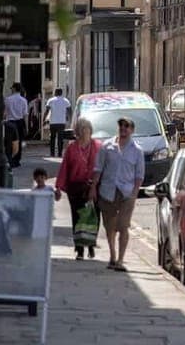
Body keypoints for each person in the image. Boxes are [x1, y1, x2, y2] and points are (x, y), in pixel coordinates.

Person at [89, 116, 144, 272]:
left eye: (127, 127)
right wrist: (93, 188)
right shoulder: (107, 147)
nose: (123, 129)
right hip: (108, 191)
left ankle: (120, 260)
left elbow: (139, 175)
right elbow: (98, 169)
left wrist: (134, 193)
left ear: (132, 130)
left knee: (123, 226)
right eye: (121, 126)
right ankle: (112, 255)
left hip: (127, 193)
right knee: (110, 227)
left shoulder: (137, 151)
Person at [56, 118, 101, 260]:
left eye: (86, 129)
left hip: (93, 186)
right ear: (77, 132)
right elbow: (65, 168)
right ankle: (79, 248)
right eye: (81, 129)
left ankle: (91, 245)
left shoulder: (98, 147)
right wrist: (58, 187)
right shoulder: (71, 148)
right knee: (78, 217)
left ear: (90, 130)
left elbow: (103, 168)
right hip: (75, 187)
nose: (84, 132)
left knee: (93, 217)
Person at [4, 83, 29, 167]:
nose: (11, 89)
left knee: (9, 141)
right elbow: (25, 114)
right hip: (20, 122)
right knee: (19, 141)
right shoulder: (23, 100)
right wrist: (26, 126)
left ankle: (10, 159)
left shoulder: (7, 99)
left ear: (14, 89)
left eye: (12, 88)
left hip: (10, 122)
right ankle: (17, 160)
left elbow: (5, 113)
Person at [45, 88, 72, 157]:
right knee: (60, 138)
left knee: (52, 138)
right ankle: (60, 153)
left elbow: (47, 111)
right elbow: (69, 110)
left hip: (53, 122)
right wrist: (70, 119)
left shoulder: (50, 100)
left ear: (55, 92)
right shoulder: (66, 101)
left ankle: (52, 153)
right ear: (61, 93)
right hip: (61, 122)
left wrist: (44, 119)